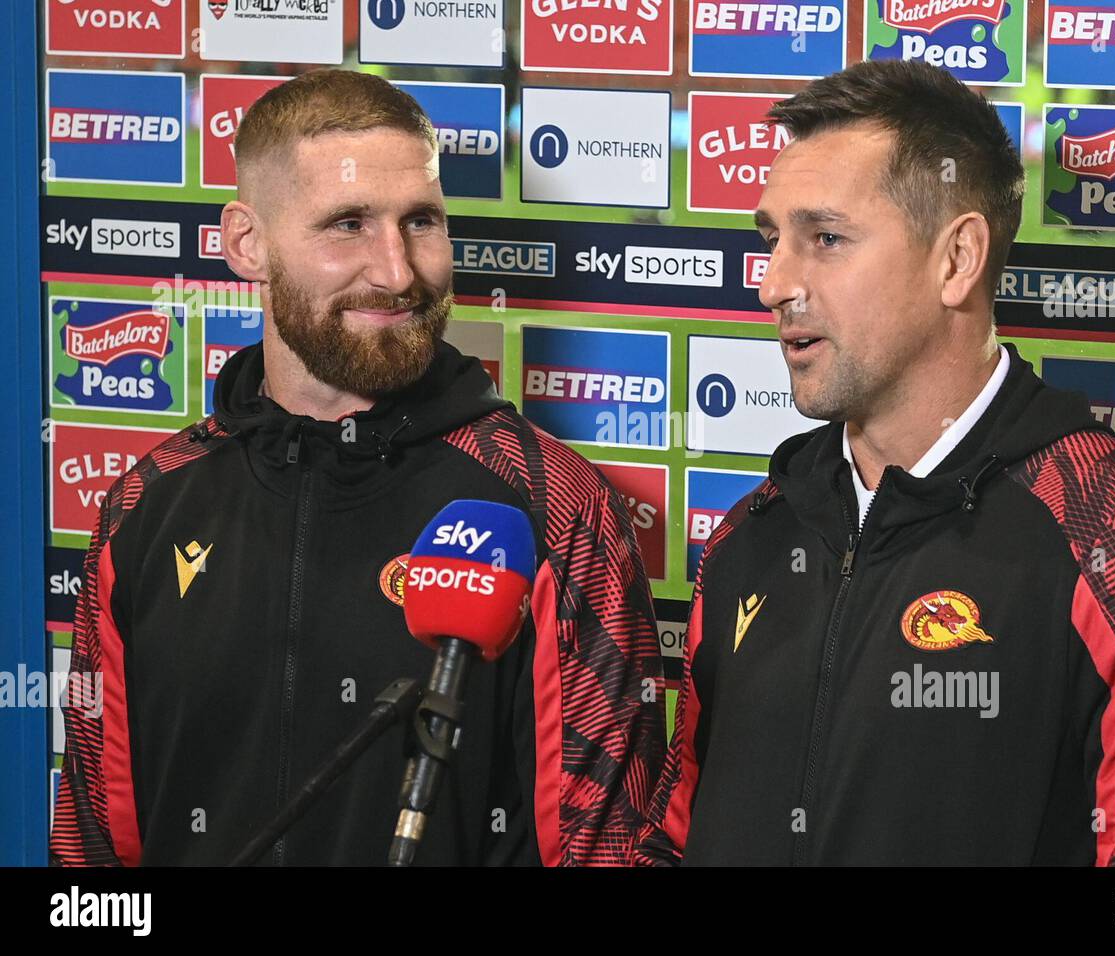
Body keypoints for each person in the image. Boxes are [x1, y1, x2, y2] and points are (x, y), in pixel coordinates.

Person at [635, 59, 1115, 866]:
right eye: (772, 240)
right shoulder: (749, 540)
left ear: (958, 259)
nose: (773, 283)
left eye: (825, 238)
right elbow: (676, 835)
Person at [51, 69, 665, 866]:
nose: (398, 271)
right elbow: (95, 841)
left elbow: (608, 849)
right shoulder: (150, 502)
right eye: (348, 225)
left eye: (421, 222)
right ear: (248, 243)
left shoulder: (548, 503)